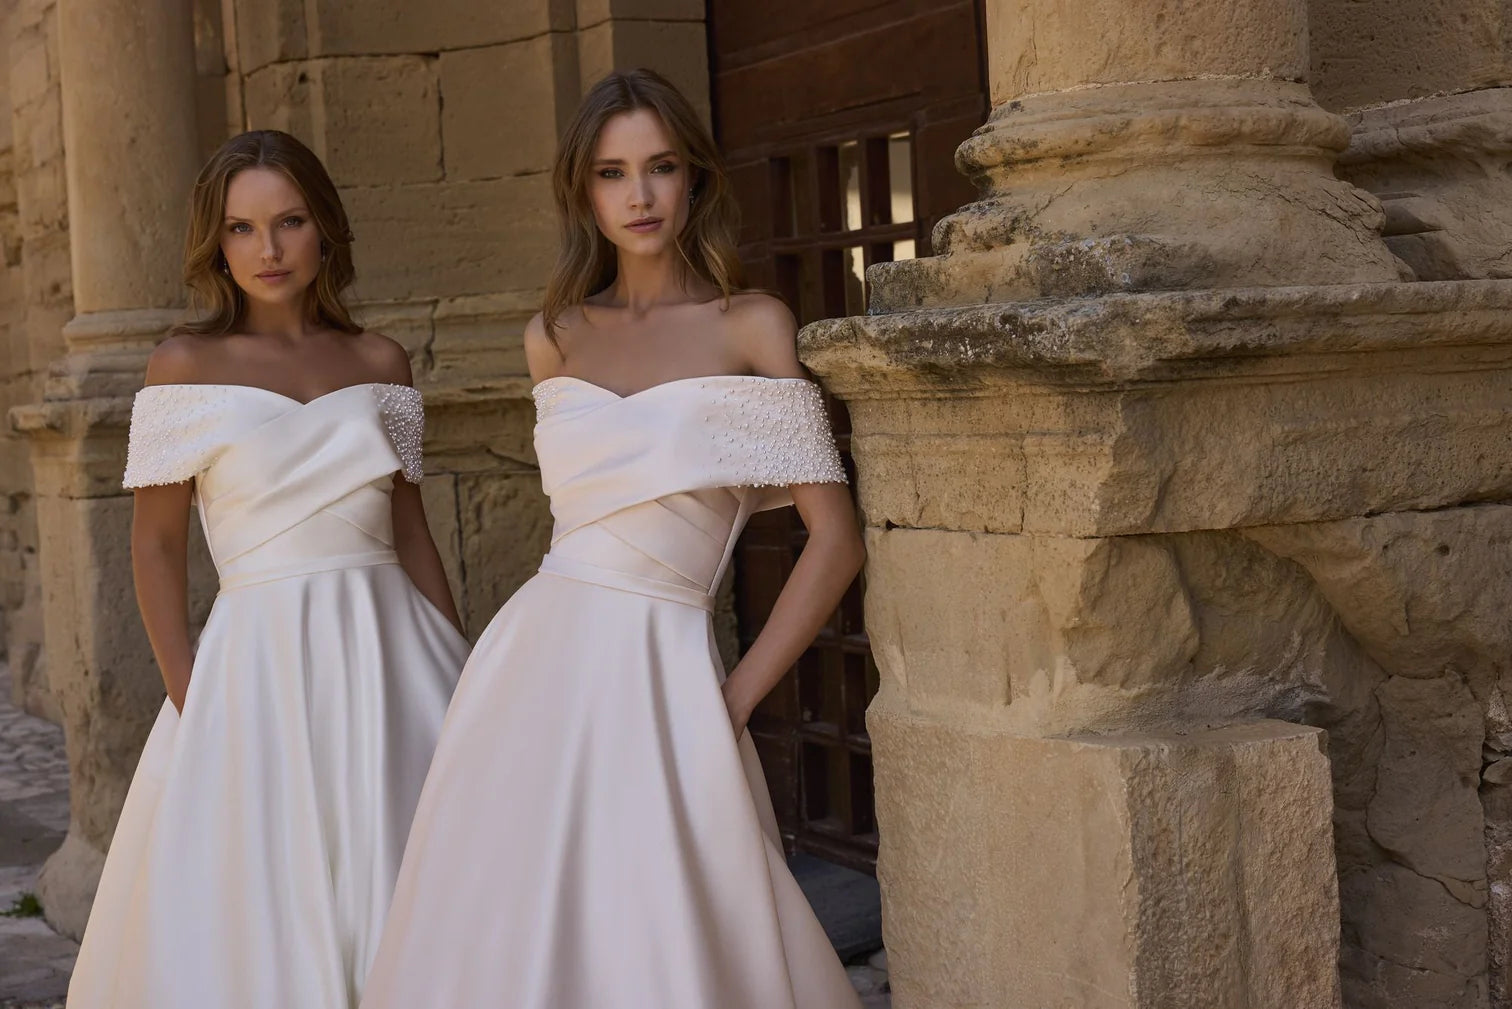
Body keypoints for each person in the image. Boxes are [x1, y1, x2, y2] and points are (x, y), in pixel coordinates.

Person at [362, 69, 866, 1009]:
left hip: (664, 656)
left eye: (661, 167)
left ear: (694, 180)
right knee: (517, 917)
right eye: (612, 173)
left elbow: (833, 539)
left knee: (667, 911)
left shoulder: (752, 325)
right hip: (531, 661)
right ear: (582, 190)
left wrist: (736, 692)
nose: (639, 196)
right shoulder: (552, 336)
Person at [66, 129, 469, 1009]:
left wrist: (458, 665)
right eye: (242, 229)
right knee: (263, 889)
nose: (269, 249)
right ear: (216, 242)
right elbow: (157, 544)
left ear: (325, 228)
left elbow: (412, 532)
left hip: (388, 653)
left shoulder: (379, 362)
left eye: (288, 222)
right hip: (255, 660)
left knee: (413, 869)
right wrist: (188, 691)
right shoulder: (183, 365)